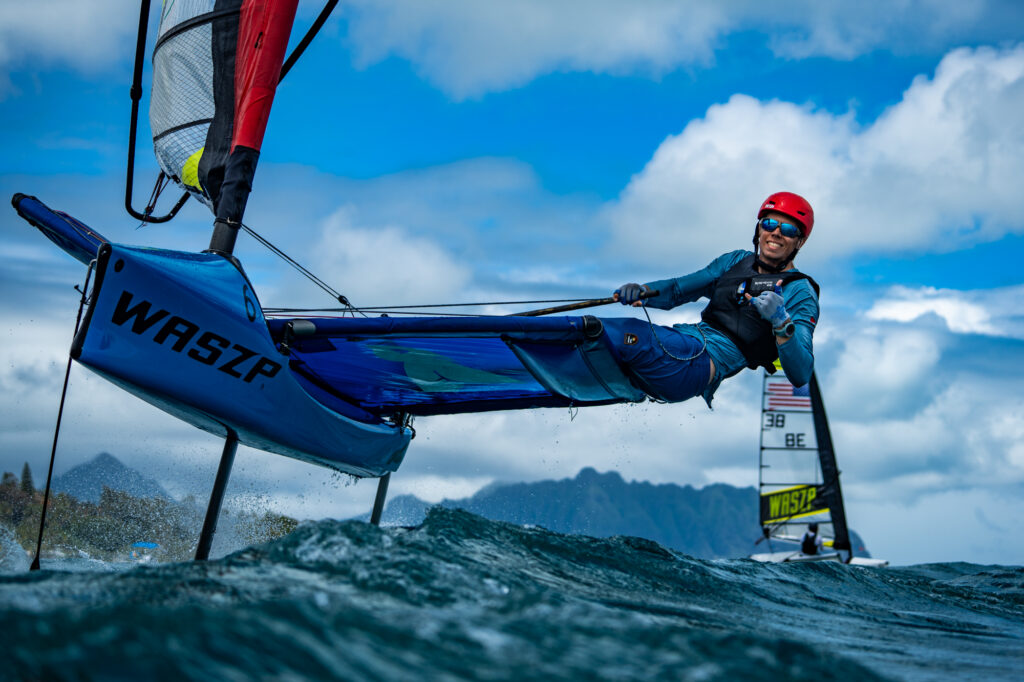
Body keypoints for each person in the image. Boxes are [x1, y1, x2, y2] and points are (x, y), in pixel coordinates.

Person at [611, 191, 819, 407]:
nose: (776, 233)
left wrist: (781, 322)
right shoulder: (735, 260)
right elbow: (678, 289)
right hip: (686, 339)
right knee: (604, 332)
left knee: (630, 334)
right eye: (769, 224)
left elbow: (801, 374)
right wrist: (643, 291)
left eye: (787, 230)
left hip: (698, 364)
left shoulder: (800, 291)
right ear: (759, 228)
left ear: (799, 242)